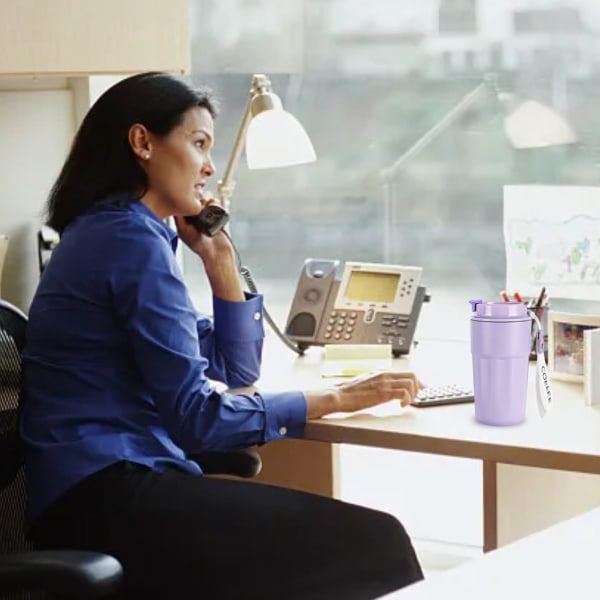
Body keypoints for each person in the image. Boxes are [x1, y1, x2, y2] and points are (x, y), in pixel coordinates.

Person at [20, 72, 424, 599]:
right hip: (104, 499)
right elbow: (196, 419)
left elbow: (234, 371)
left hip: (102, 491)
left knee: (351, 546)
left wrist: (221, 261)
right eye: (199, 143)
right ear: (142, 142)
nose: (209, 166)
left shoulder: (120, 233)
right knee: (376, 542)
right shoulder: (127, 242)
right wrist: (334, 398)